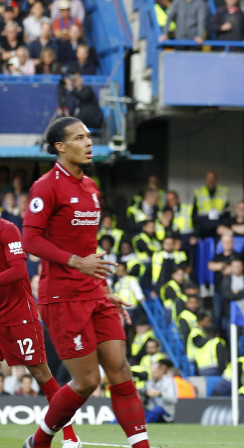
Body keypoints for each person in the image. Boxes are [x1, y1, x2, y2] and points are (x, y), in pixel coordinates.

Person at [22, 117, 151, 448]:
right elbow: (30, 240)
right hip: (62, 296)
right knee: (87, 381)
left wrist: (105, 290)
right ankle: (39, 441)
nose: (88, 142)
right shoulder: (46, 187)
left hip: (95, 293)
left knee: (121, 371)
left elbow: (88, 248)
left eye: (89, 136)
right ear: (60, 147)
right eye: (79, 138)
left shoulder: (91, 187)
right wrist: (76, 262)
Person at [0, 217, 82, 446]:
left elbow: (18, 271)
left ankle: (71, 437)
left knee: (41, 374)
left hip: (18, 315)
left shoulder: (7, 230)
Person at [143, 359, 178, 423]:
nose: (153, 374)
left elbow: (173, 399)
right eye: (151, 372)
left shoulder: (169, 381)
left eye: (155, 372)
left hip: (165, 413)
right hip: (150, 410)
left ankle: (145, 424)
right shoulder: (149, 382)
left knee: (158, 409)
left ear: (161, 371)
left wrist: (160, 394)